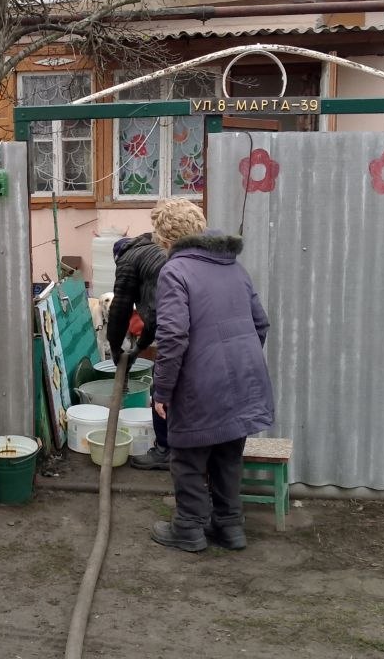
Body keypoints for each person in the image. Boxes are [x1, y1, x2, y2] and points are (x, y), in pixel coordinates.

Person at [147, 199, 274, 552]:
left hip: (200, 383)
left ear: (164, 237)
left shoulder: (176, 271)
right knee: (228, 454)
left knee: (187, 455)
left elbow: (172, 336)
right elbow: (260, 323)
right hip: (245, 379)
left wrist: (163, 390)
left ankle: (188, 528)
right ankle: (230, 526)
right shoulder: (233, 267)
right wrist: (234, 359)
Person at [104, 229, 170, 470]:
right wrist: (139, 348)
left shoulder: (127, 261)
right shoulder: (154, 252)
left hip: (174, 329)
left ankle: (164, 451)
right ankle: (178, 449)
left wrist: (114, 347)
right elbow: (155, 311)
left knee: (162, 384)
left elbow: (120, 308)